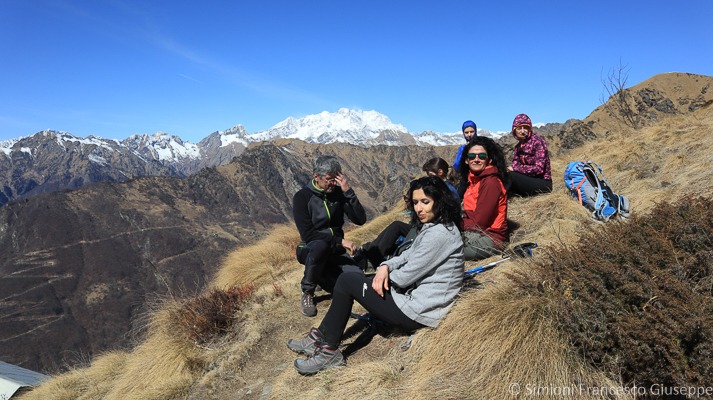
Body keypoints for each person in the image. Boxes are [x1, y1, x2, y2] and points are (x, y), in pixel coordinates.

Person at [287, 176, 464, 375]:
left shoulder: (439, 234)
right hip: (418, 302)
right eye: (415, 202)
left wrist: (375, 280)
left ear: (440, 201)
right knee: (352, 281)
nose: (419, 209)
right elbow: (409, 254)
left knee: (347, 281)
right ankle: (319, 338)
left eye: (426, 202)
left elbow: (405, 277)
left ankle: (328, 351)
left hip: (419, 311)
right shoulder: (437, 227)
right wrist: (385, 267)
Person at [292, 155, 367, 317]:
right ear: (316, 176)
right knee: (320, 246)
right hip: (310, 249)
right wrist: (340, 241)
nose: (333, 183)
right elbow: (308, 234)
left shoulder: (338, 194)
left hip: (335, 252)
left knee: (356, 279)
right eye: (328, 179)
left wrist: (348, 192)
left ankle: (321, 275)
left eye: (336, 179)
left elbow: (360, 219)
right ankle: (308, 292)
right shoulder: (302, 197)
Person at [457, 136, 509, 261]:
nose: (476, 159)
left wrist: (454, 221)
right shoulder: (474, 180)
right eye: (472, 156)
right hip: (476, 234)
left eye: (481, 156)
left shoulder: (491, 182)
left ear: (489, 160)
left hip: (490, 239)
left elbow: (478, 223)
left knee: (443, 252)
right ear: (466, 160)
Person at [507, 113, 553, 196]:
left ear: (530, 129)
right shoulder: (518, 147)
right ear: (514, 130)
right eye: (519, 128)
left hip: (543, 182)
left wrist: (516, 168)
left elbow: (539, 169)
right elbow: (515, 164)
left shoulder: (537, 141)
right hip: (528, 180)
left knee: (511, 176)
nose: (522, 131)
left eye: (525, 128)